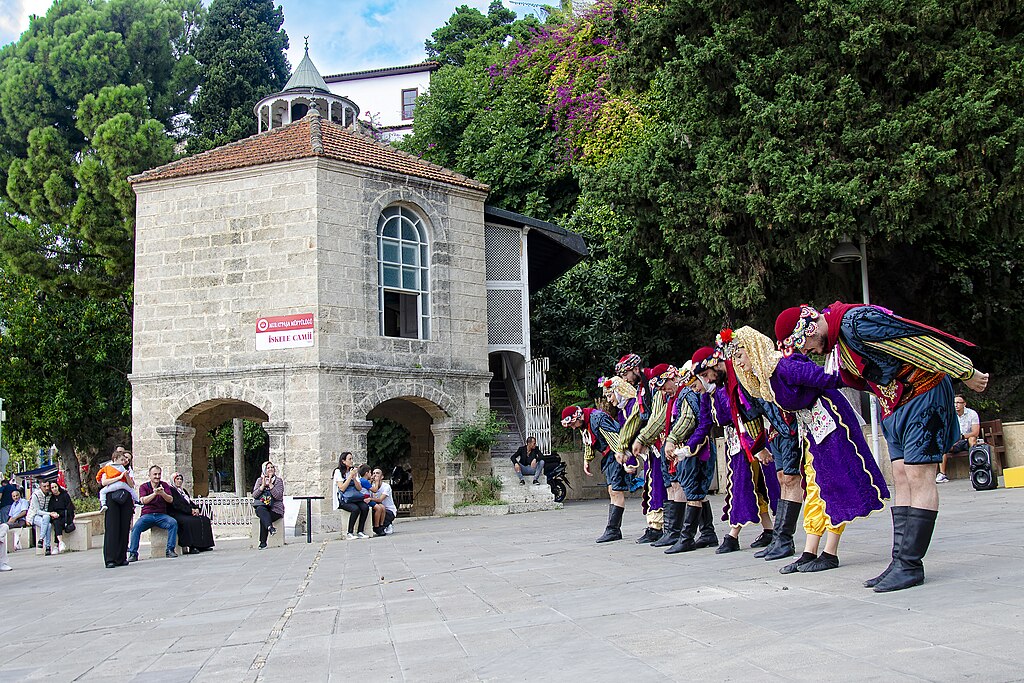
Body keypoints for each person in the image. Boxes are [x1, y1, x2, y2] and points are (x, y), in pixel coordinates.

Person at [775, 302, 988, 592]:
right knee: (900, 475)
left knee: (918, 475)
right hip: (895, 404)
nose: (808, 352)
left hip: (923, 394)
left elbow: (917, 343)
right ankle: (900, 560)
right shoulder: (840, 343)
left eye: (805, 345)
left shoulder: (857, 322)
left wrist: (966, 371)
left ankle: (910, 564)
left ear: (809, 329)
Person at [732, 326, 890, 574]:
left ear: (753, 349)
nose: (739, 364)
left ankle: (830, 552)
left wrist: (876, 382)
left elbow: (828, 378)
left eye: (740, 356)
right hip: (814, 430)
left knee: (832, 484)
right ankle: (809, 552)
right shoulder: (769, 375)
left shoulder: (784, 366)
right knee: (814, 485)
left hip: (832, 423)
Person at [689, 346, 777, 554]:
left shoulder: (736, 380)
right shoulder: (710, 393)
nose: (705, 380)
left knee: (745, 484)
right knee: (755, 486)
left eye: (704, 375)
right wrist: (688, 447)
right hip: (737, 441)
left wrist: (758, 445)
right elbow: (705, 423)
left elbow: (749, 412)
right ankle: (770, 529)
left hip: (751, 437)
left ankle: (733, 534)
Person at [613, 353, 667, 545]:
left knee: (667, 485)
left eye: (626, 374)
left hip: (663, 441)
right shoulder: (641, 388)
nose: (625, 380)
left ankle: (665, 527)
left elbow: (658, 416)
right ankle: (657, 526)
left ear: (636, 369)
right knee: (654, 482)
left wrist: (642, 439)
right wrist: (623, 447)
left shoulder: (653, 383)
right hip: (653, 443)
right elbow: (636, 418)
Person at [561, 404, 627, 543]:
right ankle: (613, 529)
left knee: (615, 490)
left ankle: (613, 529)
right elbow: (588, 442)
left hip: (616, 454)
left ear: (577, 416)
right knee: (612, 490)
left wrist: (623, 457)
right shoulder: (583, 425)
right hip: (609, 457)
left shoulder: (598, 418)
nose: (573, 427)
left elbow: (614, 438)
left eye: (573, 424)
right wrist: (587, 459)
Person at [127, 466, 179, 562]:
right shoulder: (144, 487)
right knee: (136, 528)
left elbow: (170, 500)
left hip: (161, 515)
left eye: (159, 474)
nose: (157, 476)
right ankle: (133, 553)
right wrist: (154, 493)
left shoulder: (164, 485)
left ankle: (170, 550)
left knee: (173, 523)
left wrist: (162, 493)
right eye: (155, 474)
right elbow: (143, 501)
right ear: (150, 475)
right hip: (147, 515)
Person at [101, 452, 136, 568]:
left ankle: (121, 557)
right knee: (112, 527)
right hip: (112, 497)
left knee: (124, 527)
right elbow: (104, 482)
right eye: (123, 459)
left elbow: (131, 485)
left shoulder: (127, 470)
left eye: (126, 459)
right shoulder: (108, 468)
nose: (125, 461)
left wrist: (125, 476)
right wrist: (118, 478)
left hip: (125, 497)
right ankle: (110, 558)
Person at [168, 472, 215, 554]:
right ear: (173, 480)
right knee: (189, 522)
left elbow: (189, 502)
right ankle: (192, 546)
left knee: (204, 519)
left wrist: (196, 509)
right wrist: (190, 511)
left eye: (180, 479)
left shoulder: (183, 491)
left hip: (187, 512)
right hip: (178, 513)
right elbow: (177, 504)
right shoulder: (171, 490)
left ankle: (203, 545)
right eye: (177, 479)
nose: (179, 481)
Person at [937, 395, 981, 483]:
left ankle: (974, 469)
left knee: (972, 439)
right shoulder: (949, 415)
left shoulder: (972, 414)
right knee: (943, 445)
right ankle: (942, 474)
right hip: (955, 442)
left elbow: (975, 432)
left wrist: (962, 436)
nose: (956, 405)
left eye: (958, 403)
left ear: (964, 404)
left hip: (966, 440)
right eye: (954, 403)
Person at [334, 452, 369, 539]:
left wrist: (354, 478)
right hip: (344, 499)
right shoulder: (338, 472)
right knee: (355, 509)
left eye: (351, 459)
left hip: (354, 497)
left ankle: (360, 531)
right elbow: (342, 488)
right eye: (349, 459)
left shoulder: (353, 471)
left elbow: (359, 488)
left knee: (365, 507)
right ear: (343, 461)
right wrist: (350, 477)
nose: (351, 461)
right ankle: (350, 532)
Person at [252, 461, 285, 549]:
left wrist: (271, 485)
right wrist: (262, 486)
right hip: (263, 507)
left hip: (275, 509)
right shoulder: (259, 480)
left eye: (272, 467)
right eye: (268, 468)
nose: (270, 469)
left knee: (264, 518)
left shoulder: (278, 481)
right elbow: (254, 495)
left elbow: (278, 496)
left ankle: (263, 543)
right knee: (260, 510)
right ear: (264, 470)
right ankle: (270, 527)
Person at [47, 481, 75, 555]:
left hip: (66, 516)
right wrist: (53, 514)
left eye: (55, 487)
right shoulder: (52, 499)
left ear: (58, 487)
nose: (54, 489)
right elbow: (50, 510)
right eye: (52, 488)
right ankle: (61, 542)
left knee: (57, 524)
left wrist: (59, 514)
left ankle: (56, 545)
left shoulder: (65, 495)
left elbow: (69, 508)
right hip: (56, 518)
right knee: (56, 522)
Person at [368, 468, 397, 536]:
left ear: (382, 477)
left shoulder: (386, 487)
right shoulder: (372, 487)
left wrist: (370, 499)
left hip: (389, 510)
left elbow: (380, 499)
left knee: (381, 510)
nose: (375, 475)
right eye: (374, 473)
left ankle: (387, 524)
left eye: (377, 473)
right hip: (378, 508)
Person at [27, 481, 54, 555]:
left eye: (48, 486)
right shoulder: (35, 495)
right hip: (34, 515)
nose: (47, 488)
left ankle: (41, 540)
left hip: (45, 516)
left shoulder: (50, 494)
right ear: (40, 487)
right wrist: (50, 513)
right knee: (47, 522)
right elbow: (37, 511)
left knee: (48, 523)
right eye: (44, 486)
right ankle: (47, 546)